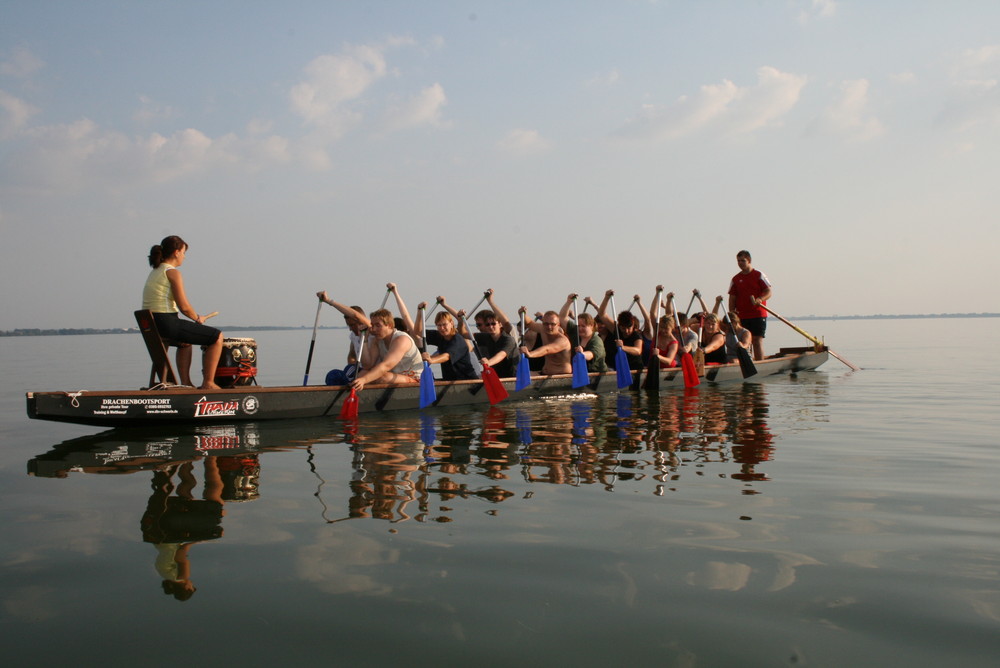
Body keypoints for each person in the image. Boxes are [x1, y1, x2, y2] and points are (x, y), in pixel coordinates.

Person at [142, 235, 223, 389]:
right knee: (217, 337)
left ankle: (186, 383)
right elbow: (184, 307)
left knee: (185, 343)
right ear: (176, 252)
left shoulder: (156, 271)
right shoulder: (172, 272)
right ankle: (208, 383)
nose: (184, 257)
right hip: (166, 322)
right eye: (184, 253)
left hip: (154, 325)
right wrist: (197, 318)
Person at [351, 308, 422, 391]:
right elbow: (367, 365)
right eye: (372, 325)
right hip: (395, 376)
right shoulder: (377, 340)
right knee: (362, 373)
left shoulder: (401, 339)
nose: (374, 329)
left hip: (414, 379)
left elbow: (386, 365)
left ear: (390, 325)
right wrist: (364, 339)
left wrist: (364, 380)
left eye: (378, 325)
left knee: (381, 377)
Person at [412, 296, 477, 381]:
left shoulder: (457, 339)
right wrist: (419, 311)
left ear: (451, 323)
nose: (442, 328)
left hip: (467, 381)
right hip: (449, 380)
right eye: (439, 325)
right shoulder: (439, 335)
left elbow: (446, 356)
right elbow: (418, 331)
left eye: (444, 324)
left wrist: (431, 360)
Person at [728, 250, 772, 360]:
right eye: (738, 261)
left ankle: (760, 363)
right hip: (742, 316)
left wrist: (760, 299)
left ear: (749, 261)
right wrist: (732, 313)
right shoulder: (735, 279)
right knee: (746, 341)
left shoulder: (759, 275)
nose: (740, 263)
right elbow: (732, 298)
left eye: (743, 260)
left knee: (757, 340)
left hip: (758, 314)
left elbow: (768, 291)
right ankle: (749, 362)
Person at [316, 291, 368, 382]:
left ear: (361, 321)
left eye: (352, 325)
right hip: (359, 371)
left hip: (370, 372)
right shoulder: (353, 336)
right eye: (349, 325)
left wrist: (328, 301)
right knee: (332, 375)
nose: (350, 329)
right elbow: (351, 356)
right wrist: (353, 367)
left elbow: (355, 315)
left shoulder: (371, 330)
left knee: (347, 373)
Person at [558, 294, 607, 373]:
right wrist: (568, 302)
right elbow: (562, 317)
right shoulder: (575, 331)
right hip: (577, 371)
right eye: (579, 326)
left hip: (594, 373)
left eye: (583, 326)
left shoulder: (596, 340)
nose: (580, 329)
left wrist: (582, 354)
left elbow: (591, 354)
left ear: (591, 326)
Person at [471, 306, 520, 378]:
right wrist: (460, 319)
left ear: (500, 324)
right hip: (496, 375)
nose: (490, 327)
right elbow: (464, 333)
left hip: (512, 376)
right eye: (487, 324)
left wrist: (488, 363)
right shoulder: (485, 336)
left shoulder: (508, 339)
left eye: (493, 324)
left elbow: (501, 355)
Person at [518, 309, 572, 375]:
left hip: (561, 375)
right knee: (520, 374)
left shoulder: (563, 341)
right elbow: (529, 323)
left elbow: (547, 349)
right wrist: (522, 315)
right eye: (546, 324)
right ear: (543, 323)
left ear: (558, 324)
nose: (549, 327)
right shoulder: (543, 329)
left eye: (553, 324)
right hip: (544, 373)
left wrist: (530, 354)